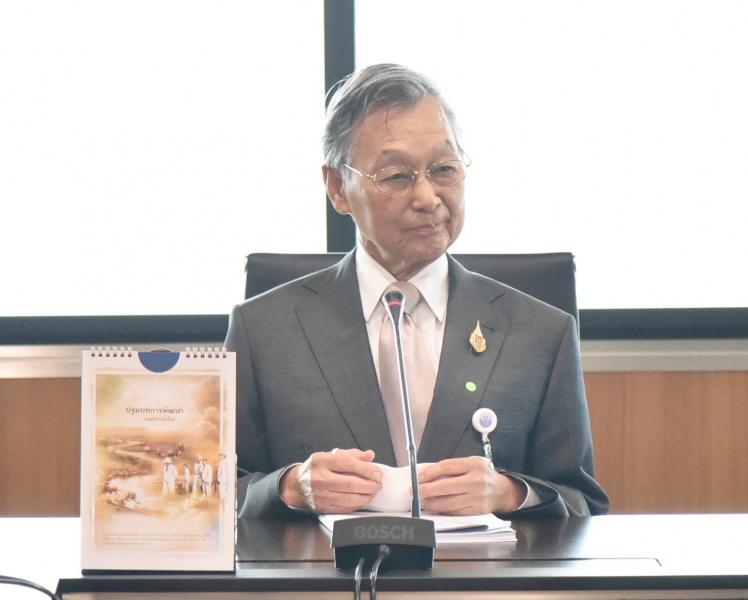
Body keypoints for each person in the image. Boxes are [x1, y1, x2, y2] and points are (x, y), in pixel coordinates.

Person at [225, 63, 608, 518]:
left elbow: (583, 504)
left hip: (480, 567)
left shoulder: (541, 332)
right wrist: (288, 487)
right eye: (396, 176)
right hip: (324, 566)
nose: (428, 197)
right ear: (338, 188)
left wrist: (510, 493)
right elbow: (210, 496)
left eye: (444, 169)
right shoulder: (263, 330)